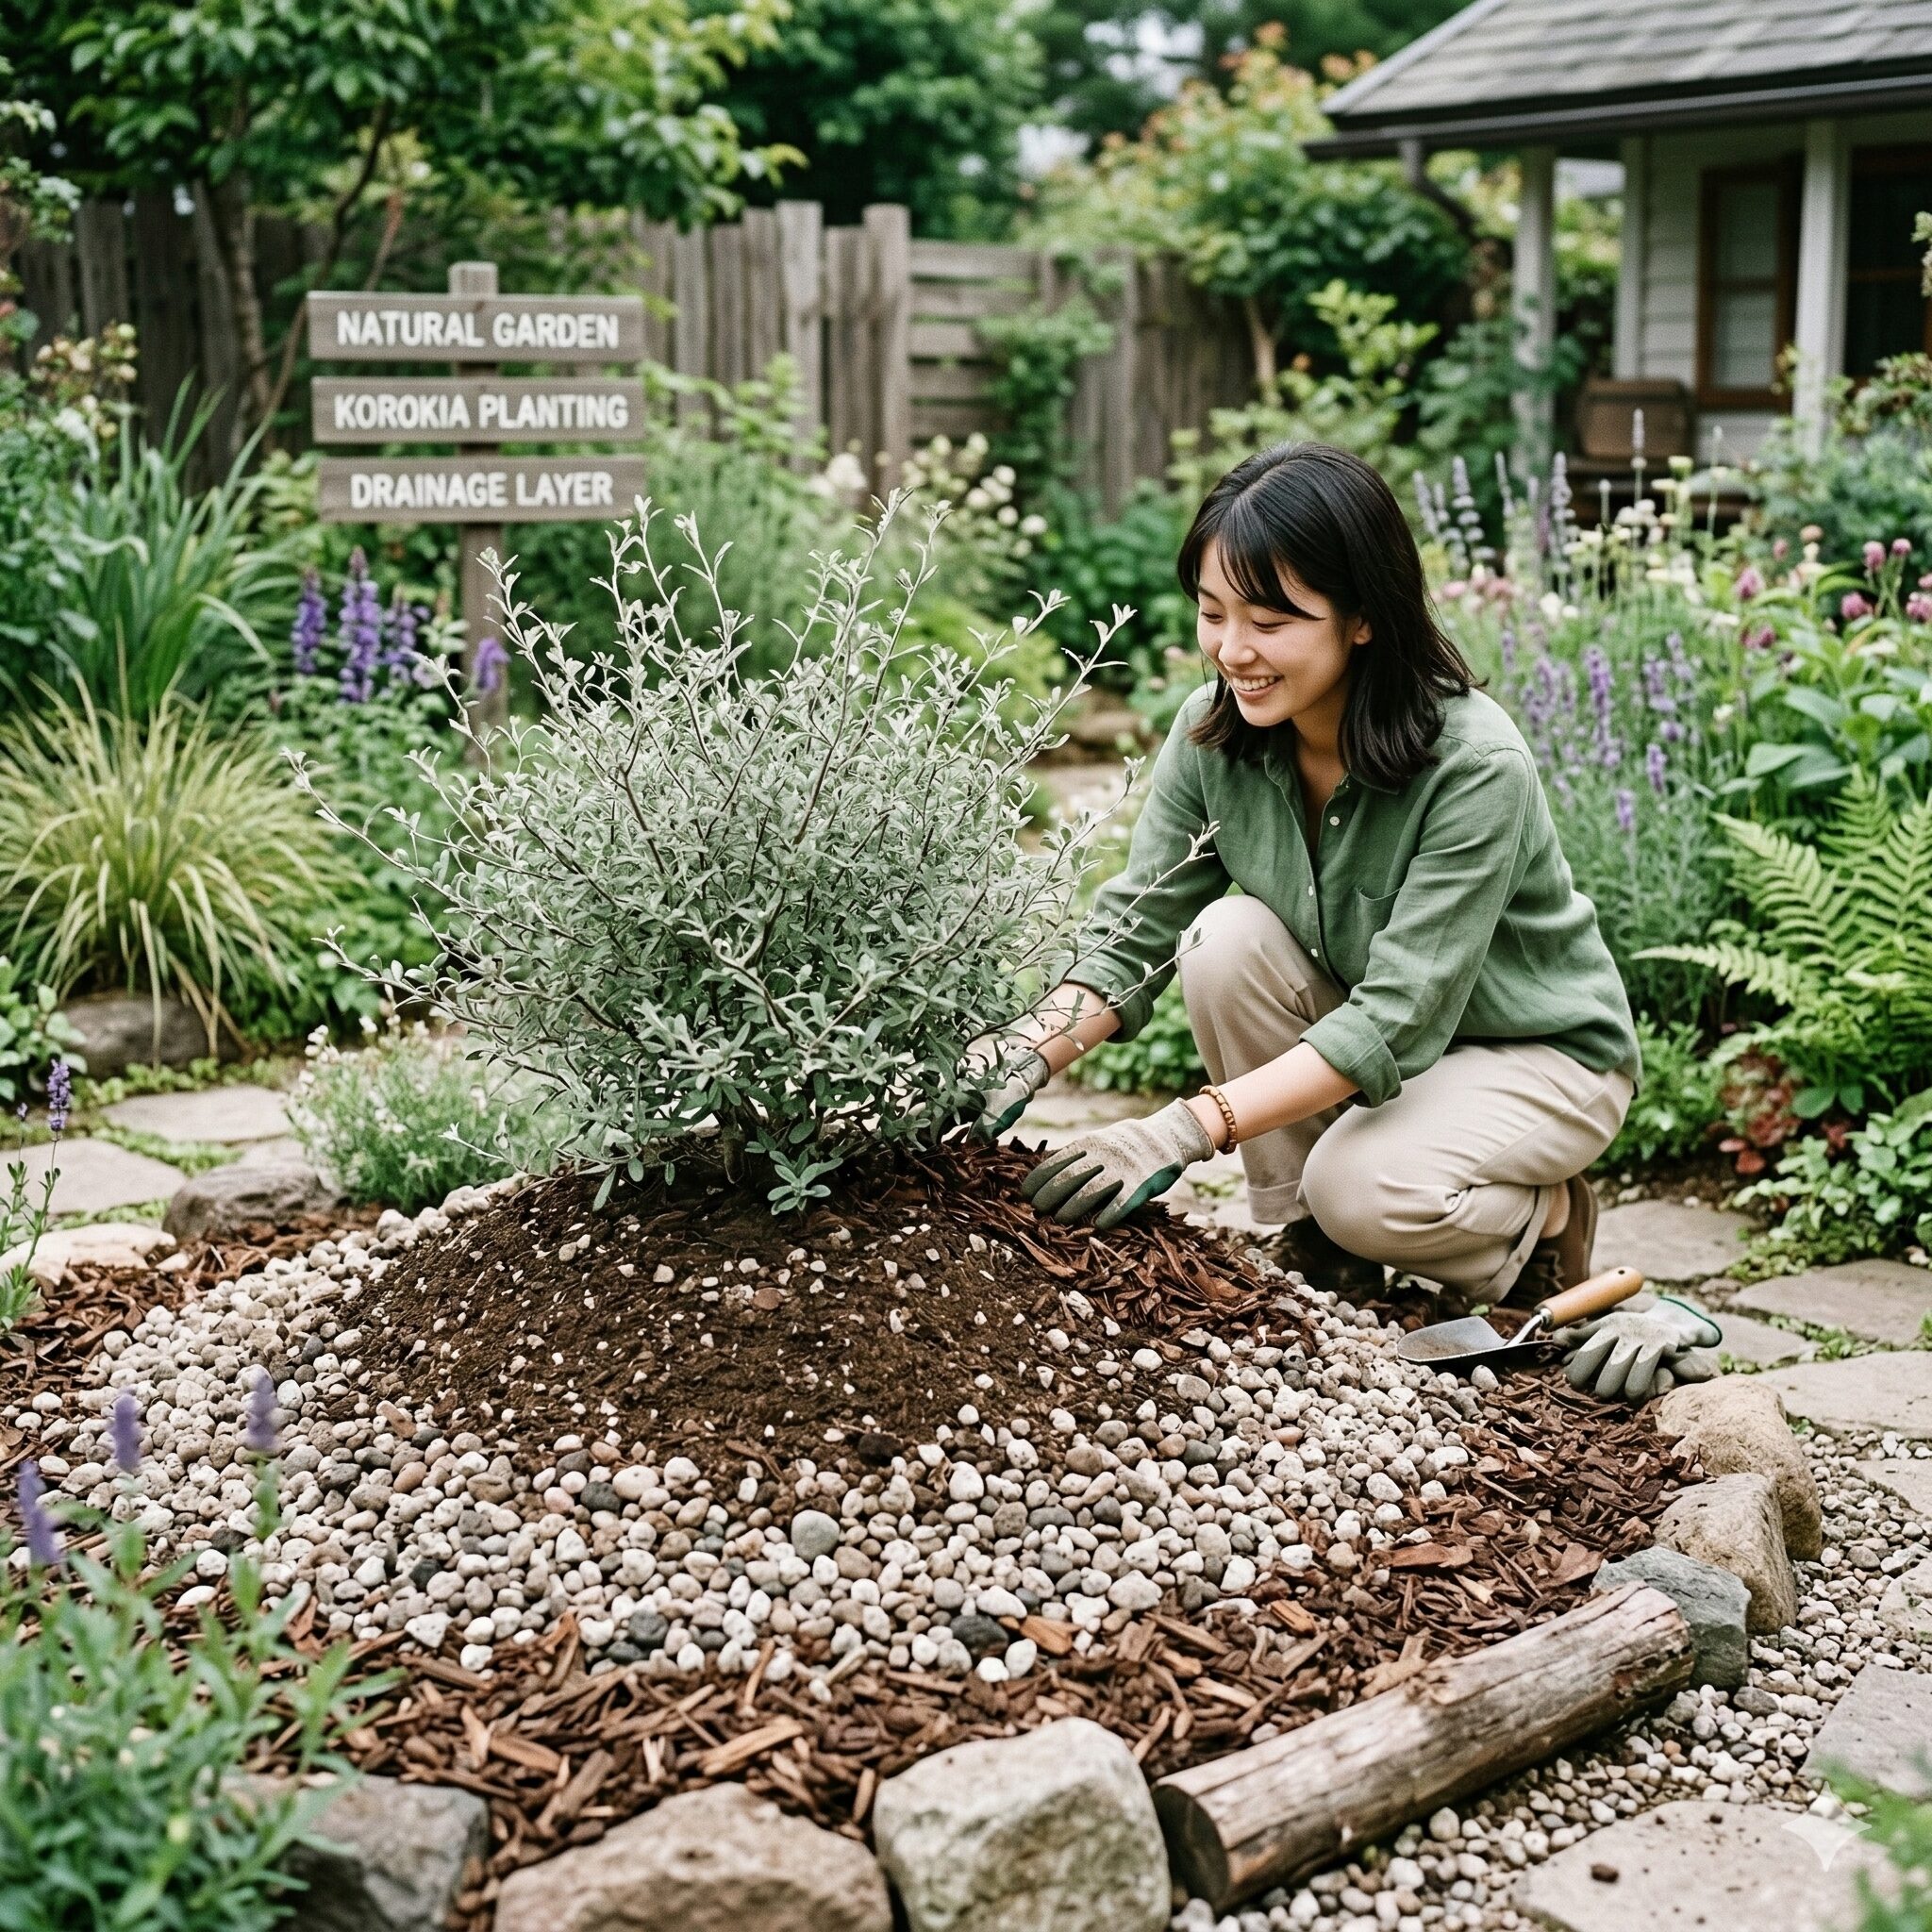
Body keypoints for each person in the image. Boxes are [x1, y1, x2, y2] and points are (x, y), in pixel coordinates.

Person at [970, 441, 1641, 1308]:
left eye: (1270, 621)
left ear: (1362, 616)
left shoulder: (1475, 766)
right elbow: (1135, 932)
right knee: (1222, 939)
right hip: (1388, 1040)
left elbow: (1398, 1013)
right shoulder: (1214, 733)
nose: (1231, 650)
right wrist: (1018, 1053)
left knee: (1361, 1190)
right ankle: (1321, 1246)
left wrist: (1182, 1129)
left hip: (1534, 1051)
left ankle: (1542, 1222)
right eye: (1212, 613)